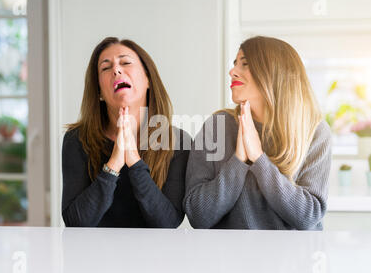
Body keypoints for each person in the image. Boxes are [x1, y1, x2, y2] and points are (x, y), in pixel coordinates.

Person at [184, 36, 332, 230]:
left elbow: (307, 216)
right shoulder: (217, 126)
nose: (232, 71)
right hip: (229, 258)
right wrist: (239, 161)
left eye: (244, 64)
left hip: (294, 258)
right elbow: (198, 216)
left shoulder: (315, 132)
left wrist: (259, 159)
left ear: (273, 73)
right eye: (235, 64)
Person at [62, 37, 190, 228]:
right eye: (106, 68)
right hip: (92, 256)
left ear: (148, 79)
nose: (116, 70)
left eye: (126, 62)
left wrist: (135, 163)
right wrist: (113, 165)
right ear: (99, 91)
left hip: (155, 257)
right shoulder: (77, 139)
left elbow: (168, 223)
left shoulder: (177, 141)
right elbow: (75, 222)